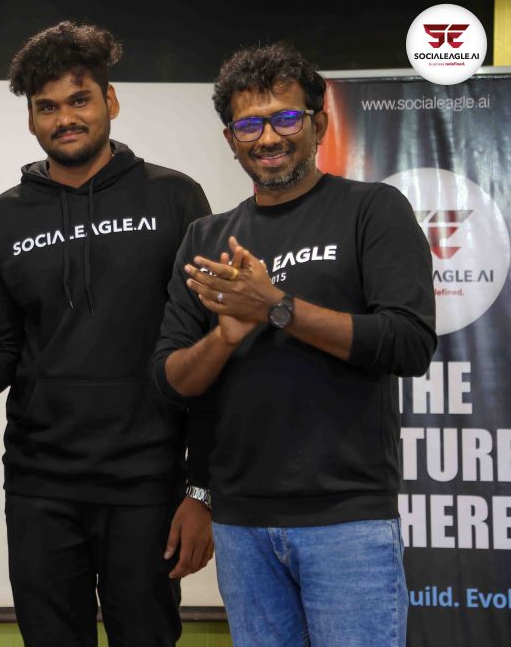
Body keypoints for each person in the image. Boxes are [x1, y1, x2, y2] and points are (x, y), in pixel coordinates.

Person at [152, 42, 437, 646]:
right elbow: (172, 380)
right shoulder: (207, 236)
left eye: (285, 117)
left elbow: (408, 343)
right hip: (241, 526)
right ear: (231, 139)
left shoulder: (371, 210)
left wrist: (277, 308)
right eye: (249, 124)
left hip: (347, 520)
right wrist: (226, 338)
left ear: (319, 123)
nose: (268, 138)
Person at [0, 22, 214, 646]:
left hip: (147, 482)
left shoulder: (176, 199)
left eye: (78, 100)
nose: (64, 118)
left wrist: (202, 490)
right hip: (39, 484)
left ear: (110, 101)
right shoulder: (5, 216)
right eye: (46, 107)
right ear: (30, 120)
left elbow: (212, 355)